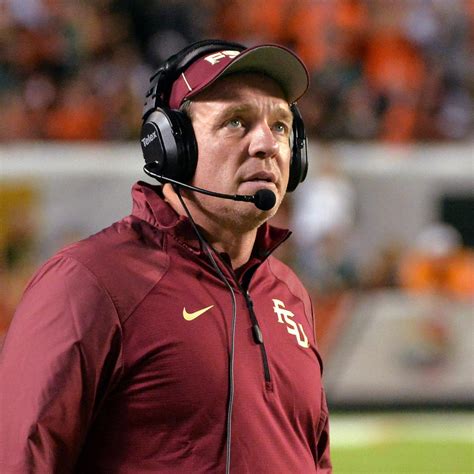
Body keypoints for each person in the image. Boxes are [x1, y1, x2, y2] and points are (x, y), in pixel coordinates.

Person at [0, 40, 332, 473]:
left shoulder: (289, 293)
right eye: (236, 122)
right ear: (171, 145)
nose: (267, 144)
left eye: (282, 126)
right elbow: (20, 460)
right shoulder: (89, 282)